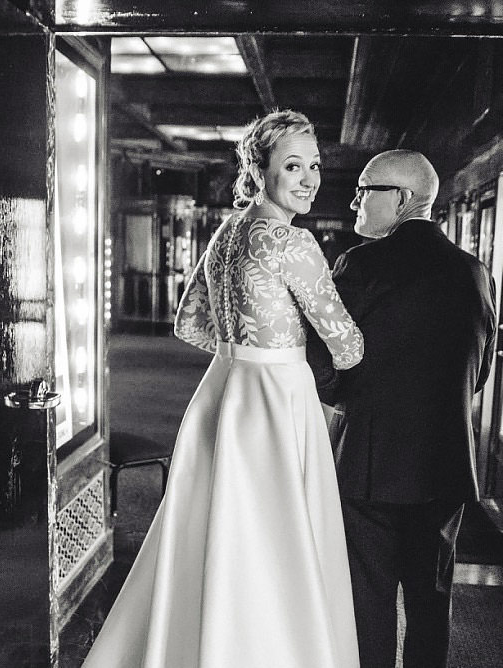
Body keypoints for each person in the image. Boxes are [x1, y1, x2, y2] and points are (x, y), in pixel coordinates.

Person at [82, 110, 363, 668]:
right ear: (258, 170)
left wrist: (244, 343)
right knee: (274, 535)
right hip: (276, 396)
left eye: (314, 165)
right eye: (292, 166)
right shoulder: (294, 243)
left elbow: (188, 324)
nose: (309, 178)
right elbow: (348, 345)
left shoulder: (226, 232)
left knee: (209, 528)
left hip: (222, 391)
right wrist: (285, 343)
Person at [309, 149, 496, 668]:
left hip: (372, 467)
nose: (354, 201)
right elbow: (479, 372)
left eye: (366, 189)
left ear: (404, 200)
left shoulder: (361, 265)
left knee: (367, 601)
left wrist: (350, 397)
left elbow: (322, 363)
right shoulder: (476, 273)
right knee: (432, 602)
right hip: (446, 469)